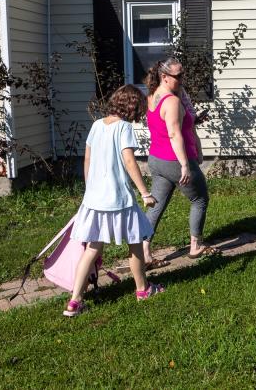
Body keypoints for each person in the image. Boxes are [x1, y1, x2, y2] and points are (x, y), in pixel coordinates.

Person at [63, 85, 165, 317]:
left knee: (92, 249)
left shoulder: (96, 125)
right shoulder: (124, 128)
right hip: (119, 199)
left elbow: (87, 158)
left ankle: (75, 301)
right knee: (135, 243)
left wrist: (90, 189)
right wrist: (145, 193)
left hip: (95, 200)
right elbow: (129, 161)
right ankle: (143, 289)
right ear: (132, 107)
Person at [142, 58, 219, 269]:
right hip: (174, 159)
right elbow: (174, 133)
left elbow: (169, 123)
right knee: (200, 198)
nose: (182, 80)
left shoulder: (152, 96)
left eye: (183, 74)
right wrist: (185, 164)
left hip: (156, 159)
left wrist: (193, 120)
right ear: (164, 76)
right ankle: (195, 246)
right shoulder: (172, 101)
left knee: (156, 205)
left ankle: (144, 253)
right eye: (178, 76)